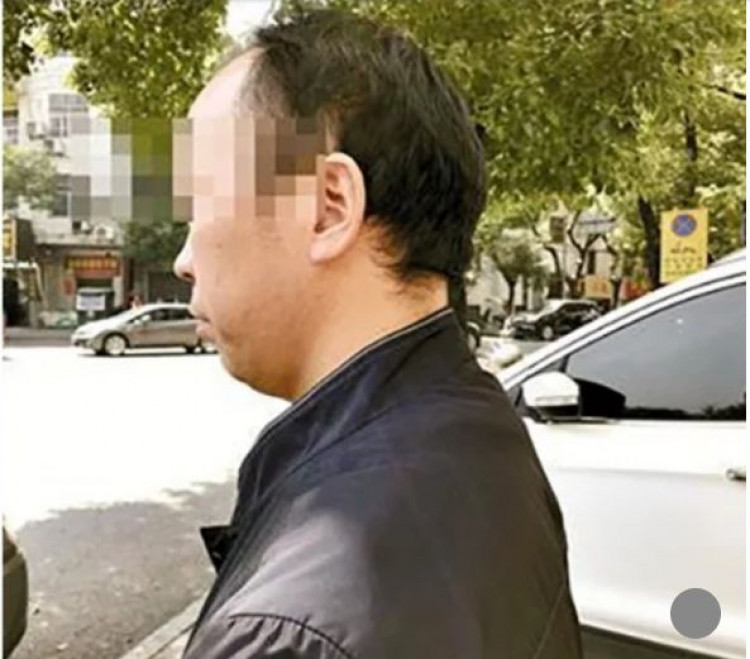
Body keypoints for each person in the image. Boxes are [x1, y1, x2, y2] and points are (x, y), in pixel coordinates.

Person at [173, 8, 582, 658]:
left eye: (198, 201)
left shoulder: (287, 630)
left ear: (328, 206)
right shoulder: (485, 432)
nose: (183, 259)